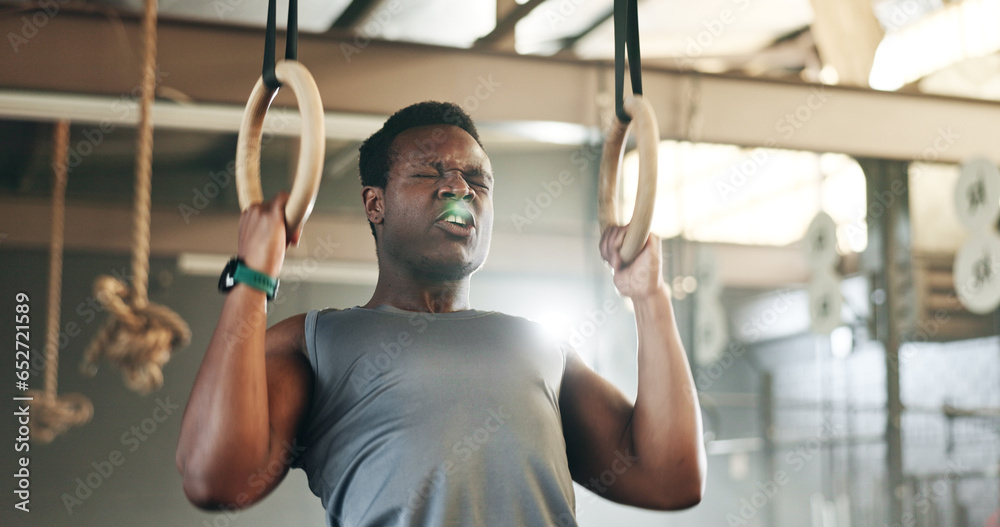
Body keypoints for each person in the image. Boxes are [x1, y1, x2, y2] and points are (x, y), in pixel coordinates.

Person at [175, 101, 706, 526]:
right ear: (374, 204)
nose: (460, 189)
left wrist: (649, 297)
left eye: (478, 180)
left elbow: (672, 480)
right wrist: (252, 276)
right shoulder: (314, 342)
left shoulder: (537, 345)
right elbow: (215, 480)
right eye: (432, 172)